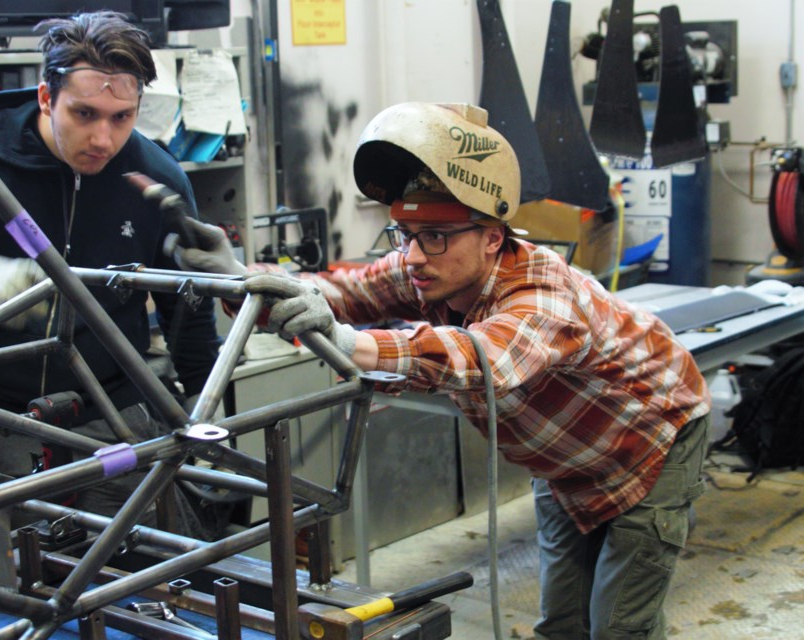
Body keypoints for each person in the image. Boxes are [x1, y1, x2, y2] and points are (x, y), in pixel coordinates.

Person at [169, 102, 711, 638]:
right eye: (406, 235)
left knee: (620, 629)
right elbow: (342, 291)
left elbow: (481, 357)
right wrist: (242, 277)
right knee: (563, 623)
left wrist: (347, 341)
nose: (414, 256)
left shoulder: (542, 291)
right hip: (568, 460)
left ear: (493, 236)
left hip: (649, 444)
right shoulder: (429, 267)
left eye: (436, 237)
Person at [0, 12, 223, 537]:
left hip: (116, 412)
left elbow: (190, 308)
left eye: (122, 117)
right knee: (27, 581)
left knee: (147, 567)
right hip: (2, 414)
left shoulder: (156, 177)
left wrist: (206, 421)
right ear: (46, 97)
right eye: (84, 113)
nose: (103, 138)